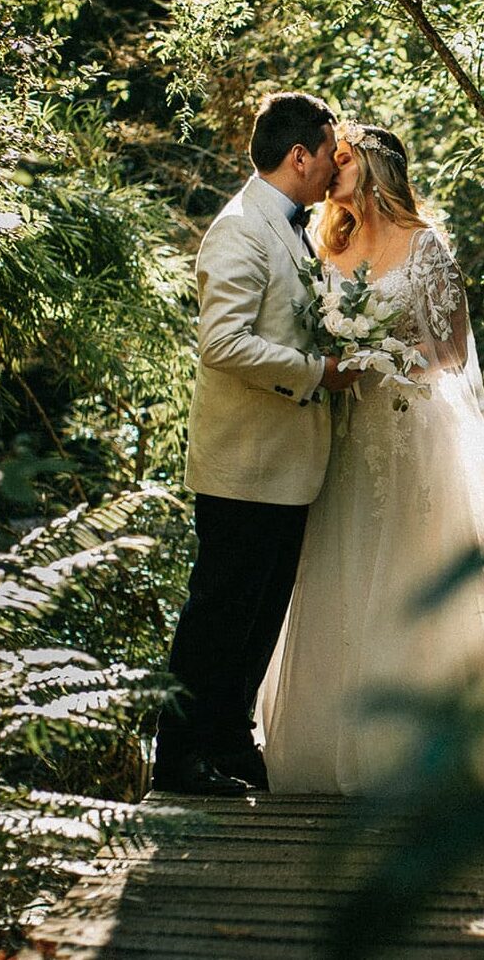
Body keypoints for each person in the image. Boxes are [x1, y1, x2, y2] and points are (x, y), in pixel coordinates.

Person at [257, 122, 484, 795]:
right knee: (346, 570)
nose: (331, 171)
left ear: (374, 168)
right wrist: (340, 357)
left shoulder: (426, 246)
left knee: (417, 570)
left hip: (416, 432)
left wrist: (381, 353)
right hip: (347, 434)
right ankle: (339, 744)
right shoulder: (327, 246)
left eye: (343, 159)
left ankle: (444, 747)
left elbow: (450, 353)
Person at [153, 92, 360, 796]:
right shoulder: (239, 229)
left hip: (287, 464)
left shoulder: (291, 229)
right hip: (242, 463)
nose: (333, 167)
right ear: (299, 156)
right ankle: (178, 758)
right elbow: (222, 344)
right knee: (218, 615)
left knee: (259, 615)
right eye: (328, 153)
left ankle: (228, 741)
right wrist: (316, 372)